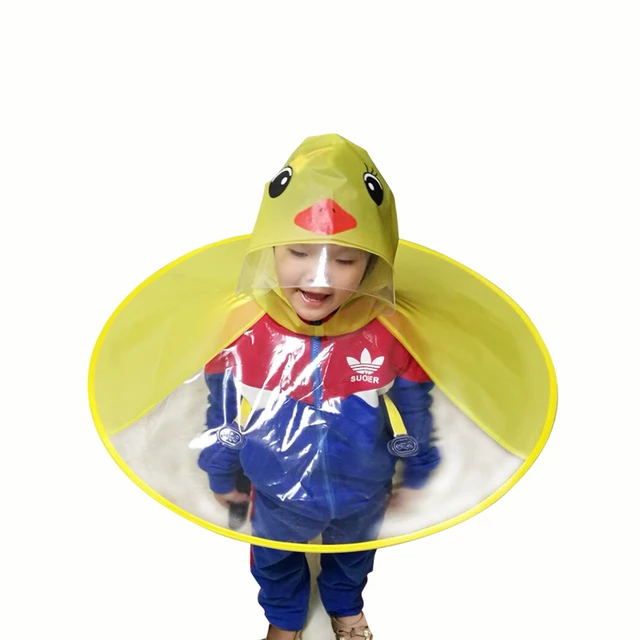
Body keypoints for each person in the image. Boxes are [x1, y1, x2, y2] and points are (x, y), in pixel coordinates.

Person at [196, 134, 441, 640]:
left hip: (363, 490)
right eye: (298, 251)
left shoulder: (390, 332)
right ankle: (284, 617)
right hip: (274, 490)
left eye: (345, 259)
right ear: (270, 248)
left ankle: (345, 606)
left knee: (353, 556)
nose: (319, 277)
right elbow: (221, 410)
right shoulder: (244, 333)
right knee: (274, 558)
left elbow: (414, 405)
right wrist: (221, 472)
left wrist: (417, 469)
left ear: (373, 264)